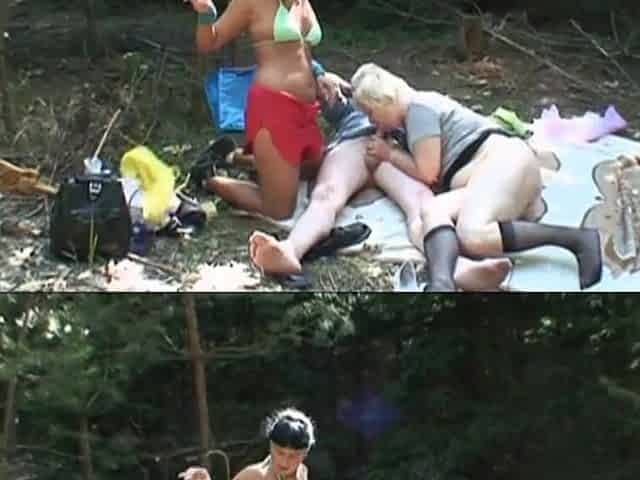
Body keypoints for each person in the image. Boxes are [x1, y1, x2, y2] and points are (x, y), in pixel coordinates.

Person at [350, 62, 603, 291]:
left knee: (471, 233)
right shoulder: (411, 117)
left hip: (504, 160)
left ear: (382, 100)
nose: (372, 121)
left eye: (371, 113)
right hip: (488, 176)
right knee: (430, 214)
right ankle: (442, 283)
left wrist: (389, 154)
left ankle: (576, 239)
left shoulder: (418, 111)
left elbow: (428, 173)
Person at [249, 76, 513, 291]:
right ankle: (291, 250)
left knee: (423, 208)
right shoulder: (347, 108)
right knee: (327, 196)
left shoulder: (407, 105)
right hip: (356, 144)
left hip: (393, 154)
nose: (373, 117)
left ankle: (457, 268)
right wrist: (322, 80)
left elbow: (428, 163)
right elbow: (305, 86)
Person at [188, 0, 343, 219]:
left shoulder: (301, 2)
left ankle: (233, 157)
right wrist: (206, 13)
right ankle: (207, 177)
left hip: (306, 111)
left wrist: (319, 74)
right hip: (274, 107)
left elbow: (303, 50)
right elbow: (209, 42)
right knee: (280, 210)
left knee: (315, 170)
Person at [179, 407, 314, 480]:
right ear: (271, 446)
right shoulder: (254, 476)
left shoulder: (301, 471)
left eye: (292, 456)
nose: (285, 461)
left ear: (304, 454)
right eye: (280, 452)